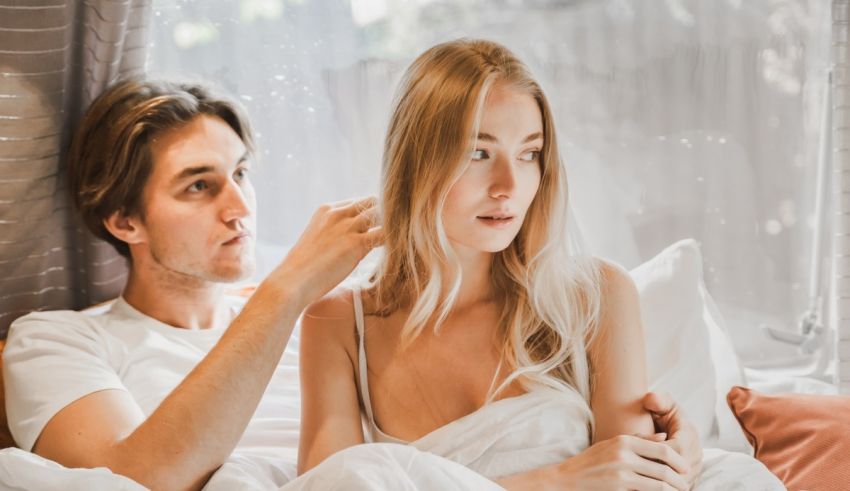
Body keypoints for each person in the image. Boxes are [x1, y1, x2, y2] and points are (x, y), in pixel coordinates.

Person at [297, 39, 783, 490]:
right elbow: (332, 485)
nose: (508, 185)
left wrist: (669, 459)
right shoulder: (340, 322)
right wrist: (557, 480)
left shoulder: (596, 296)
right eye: (478, 152)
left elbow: (636, 483)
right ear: (414, 160)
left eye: (530, 153)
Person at [2, 79, 382, 489]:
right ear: (125, 222)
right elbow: (131, 480)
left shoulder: (322, 319)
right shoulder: (55, 340)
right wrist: (286, 291)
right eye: (199, 186)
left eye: (240, 173)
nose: (240, 208)